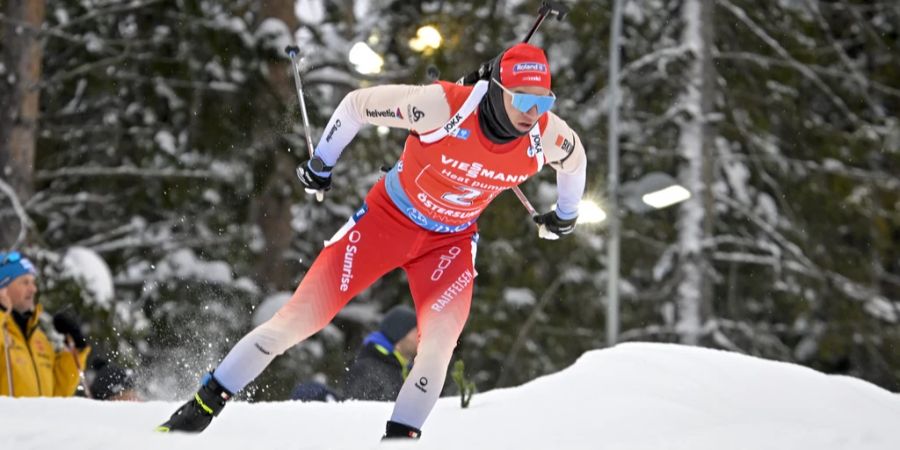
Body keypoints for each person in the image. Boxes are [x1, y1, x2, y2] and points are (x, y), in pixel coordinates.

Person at [159, 43, 587, 439]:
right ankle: (203, 404)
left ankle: (399, 440)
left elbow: (575, 159)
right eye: (523, 98)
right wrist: (322, 163)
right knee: (298, 321)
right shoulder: (440, 107)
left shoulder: (544, 135)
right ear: (496, 90)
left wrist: (566, 215)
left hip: (450, 244)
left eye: (543, 101)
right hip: (387, 222)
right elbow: (356, 106)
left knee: (436, 349)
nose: (534, 111)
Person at [0, 251, 91, 397]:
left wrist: (74, 352)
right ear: (3, 287)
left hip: (39, 420)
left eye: (33, 282)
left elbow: (58, 394)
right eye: (25, 282)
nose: (33, 289)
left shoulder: (38, 338)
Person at [342, 305, 418, 401]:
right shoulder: (367, 371)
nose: (420, 337)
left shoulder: (405, 371)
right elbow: (361, 413)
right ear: (399, 334)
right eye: (416, 332)